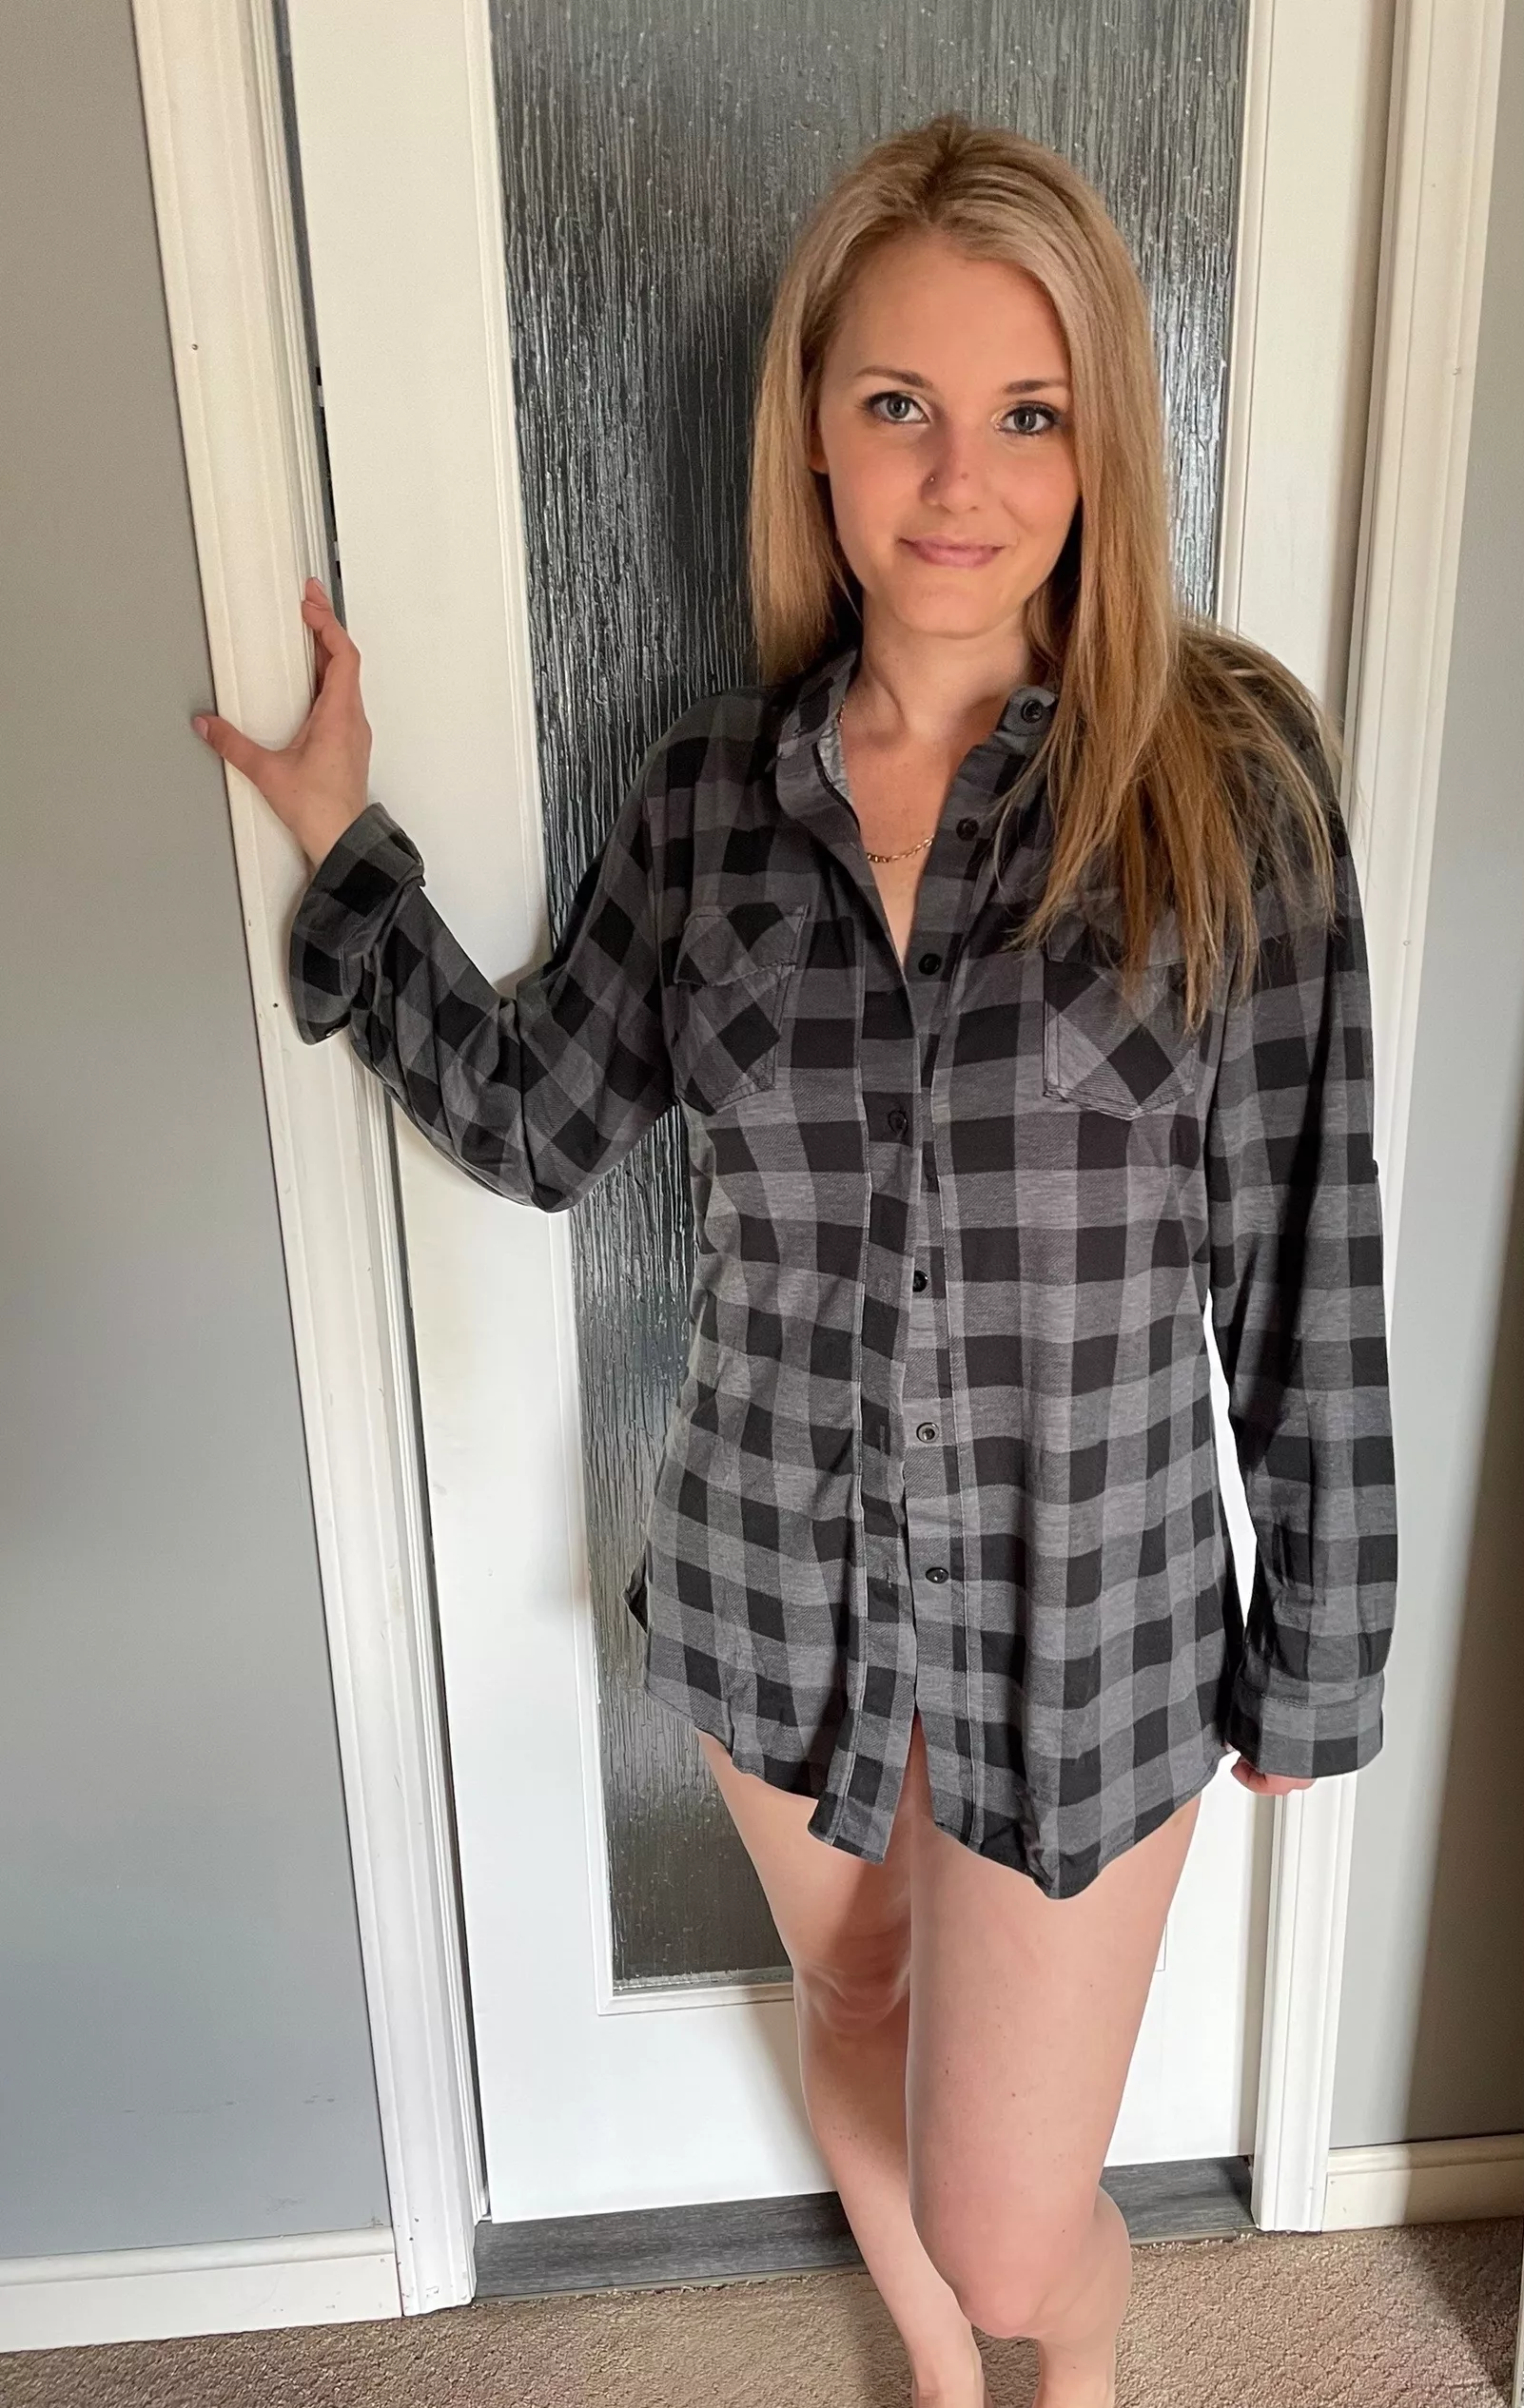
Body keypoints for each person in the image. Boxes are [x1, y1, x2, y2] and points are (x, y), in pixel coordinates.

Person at [194, 110, 1394, 2408]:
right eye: (899, 404)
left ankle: (1054, 2362)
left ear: (1098, 448)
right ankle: (945, 2381)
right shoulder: (703, 809)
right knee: (855, 2005)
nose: (960, 477)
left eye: (1027, 413)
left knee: (1014, 2226)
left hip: (1085, 1624)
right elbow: (539, 1119)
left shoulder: (1223, 779)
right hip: (776, 1591)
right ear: (816, 436)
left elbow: (1306, 1242)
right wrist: (346, 849)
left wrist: (1318, 1644)